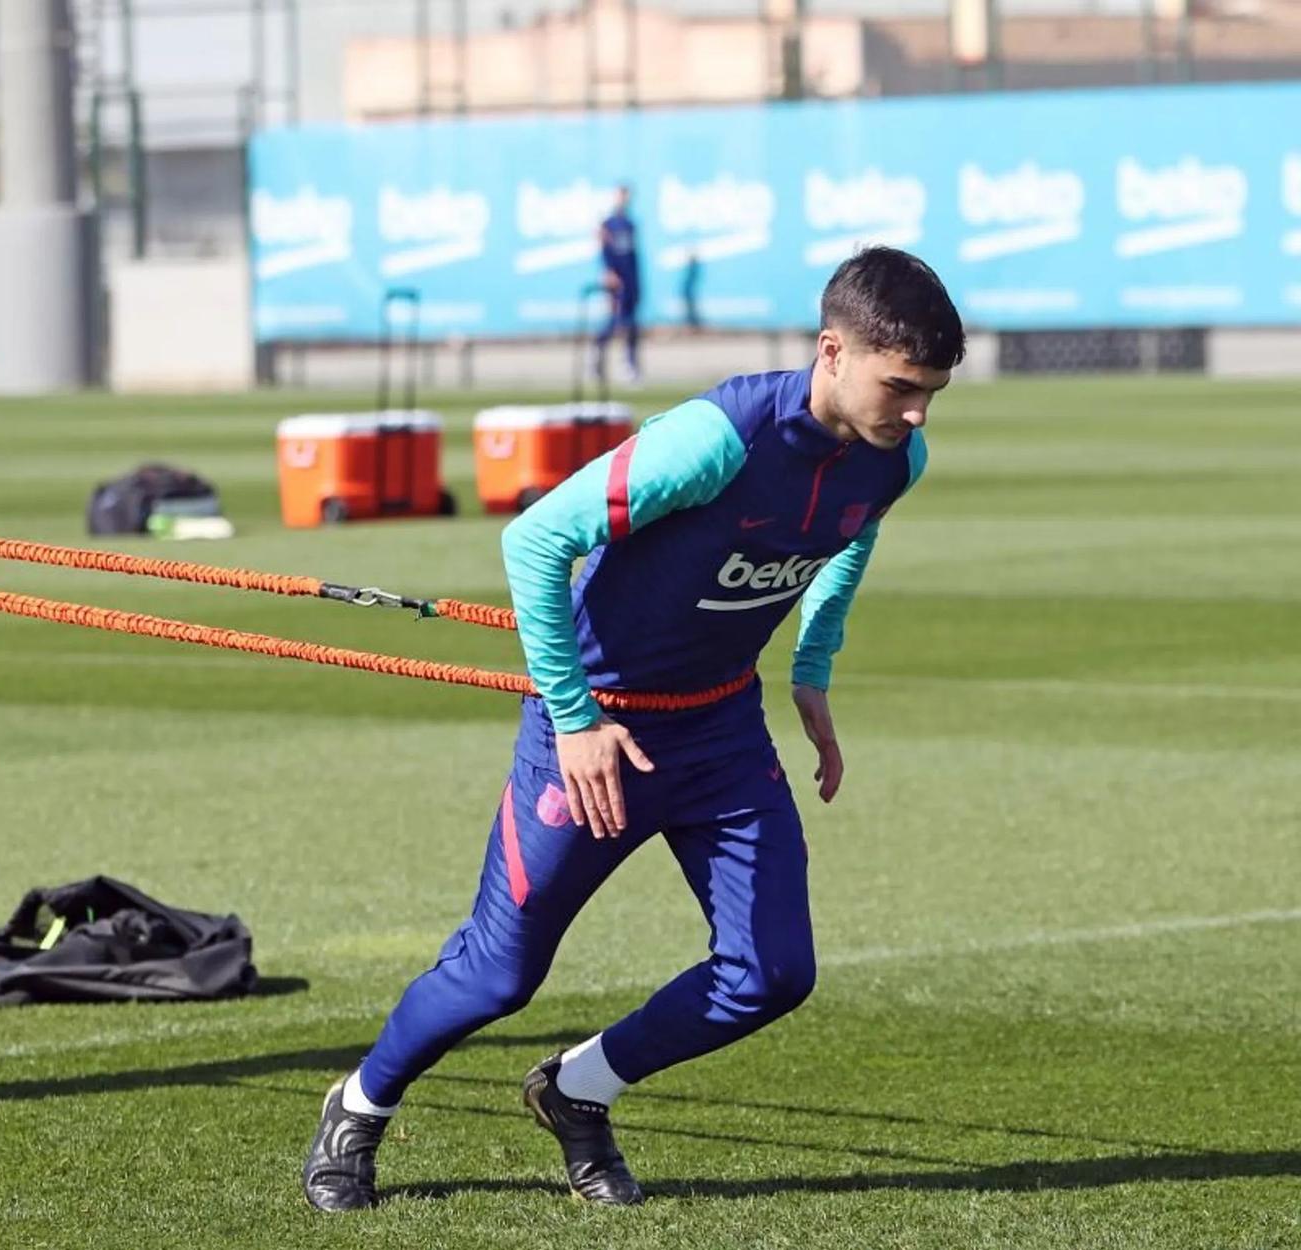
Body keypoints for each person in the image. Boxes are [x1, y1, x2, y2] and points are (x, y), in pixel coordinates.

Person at [303, 246, 964, 1210]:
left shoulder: (896, 454)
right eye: (901, 386)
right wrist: (574, 722)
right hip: (596, 734)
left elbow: (851, 535)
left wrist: (812, 666)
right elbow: (533, 539)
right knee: (499, 977)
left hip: (722, 733)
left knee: (772, 974)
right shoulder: (714, 440)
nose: (915, 415)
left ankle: (578, 1092)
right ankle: (359, 1106)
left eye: (932, 395)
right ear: (832, 350)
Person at [593, 184, 642, 383]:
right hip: (616, 281)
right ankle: (597, 355)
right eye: (622, 196)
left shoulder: (630, 224)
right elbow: (604, 251)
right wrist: (608, 273)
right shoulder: (608, 224)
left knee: (631, 324)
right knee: (615, 321)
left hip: (631, 280)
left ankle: (630, 364)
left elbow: (633, 256)